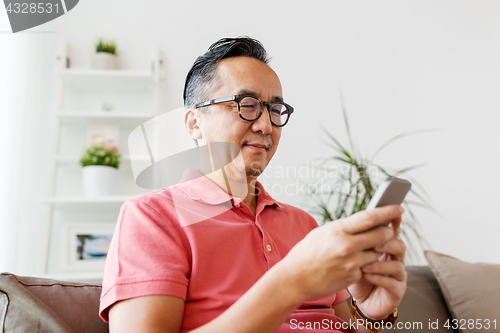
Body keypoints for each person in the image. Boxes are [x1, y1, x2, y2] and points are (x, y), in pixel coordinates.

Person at [99, 37, 407, 333]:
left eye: (275, 110)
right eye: (246, 104)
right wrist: (292, 282)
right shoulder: (153, 217)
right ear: (194, 123)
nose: (265, 125)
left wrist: (372, 314)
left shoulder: (304, 225)